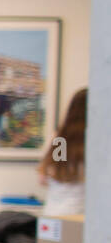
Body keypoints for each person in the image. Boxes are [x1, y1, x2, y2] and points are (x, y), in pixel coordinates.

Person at [38, 87, 87, 216]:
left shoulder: (60, 139)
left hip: (52, 215)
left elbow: (44, 178)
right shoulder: (97, 142)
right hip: (79, 214)